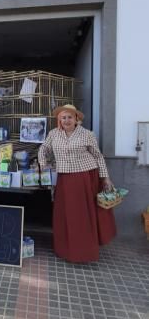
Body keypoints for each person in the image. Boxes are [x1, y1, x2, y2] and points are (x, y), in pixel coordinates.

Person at [38, 104, 116, 263]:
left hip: (84, 177)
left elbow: (98, 156)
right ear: (59, 120)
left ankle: (84, 251)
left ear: (76, 119)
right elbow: (44, 148)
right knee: (65, 214)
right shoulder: (54, 134)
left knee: (81, 215)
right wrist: (43, 163)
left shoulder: (87, 134)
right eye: (63, 117)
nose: (66, 120)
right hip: (64, 177)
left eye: (69, 117)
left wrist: (105, 177)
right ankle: (65, 249)